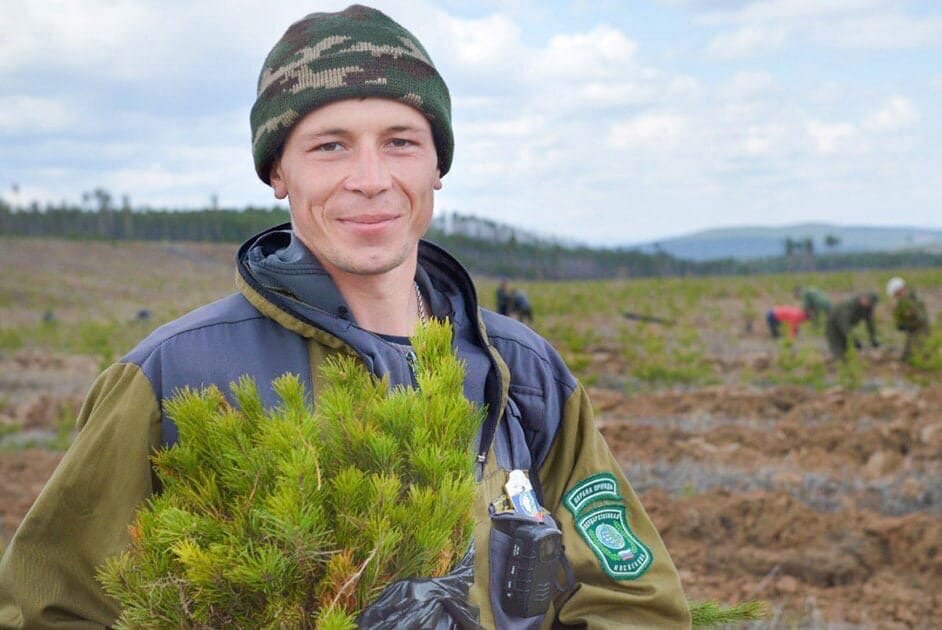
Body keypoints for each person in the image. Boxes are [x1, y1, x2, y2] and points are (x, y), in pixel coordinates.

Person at [0, 6, 690, 628]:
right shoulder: (174, 377)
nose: (370, 179)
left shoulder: (521, 374)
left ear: (438, 166)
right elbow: (51, 607)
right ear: (279, 172)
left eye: (401, 142)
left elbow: (634, 601)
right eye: (330, 145)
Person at [886, 276, 931, 363]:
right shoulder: (903, 301)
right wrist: (900, 324)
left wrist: (906, 325)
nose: (897, 297)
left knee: (920, 354)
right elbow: (900, 317)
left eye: (897, 294)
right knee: (906, 356)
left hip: (921, 330)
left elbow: (921, 319)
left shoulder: (914, 298)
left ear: (901, 289)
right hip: (912, 330)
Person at [825, 292, 880, 360]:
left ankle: (844, 361)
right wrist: (855, 341)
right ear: (863, 298)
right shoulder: (850, 305)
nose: (867, 304)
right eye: (867, 301)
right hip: (833, 325)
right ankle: (836, 361)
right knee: (838, 349)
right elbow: (845, 326)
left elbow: (870, 323)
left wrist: (873, 338)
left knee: (848, 349)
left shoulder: (868, 308)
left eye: (870, 304)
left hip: (846, 325)